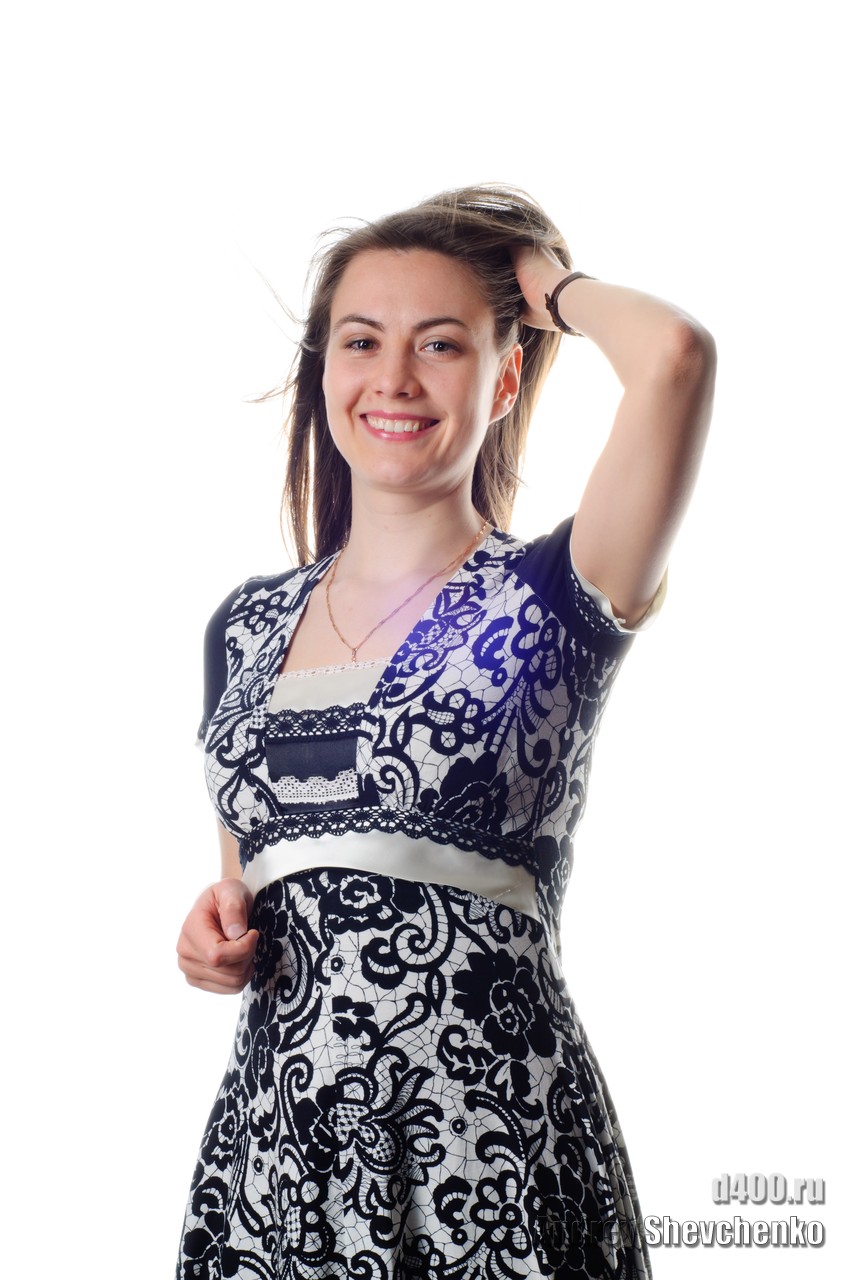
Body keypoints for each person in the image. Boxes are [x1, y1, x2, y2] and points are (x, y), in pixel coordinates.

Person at [175, 185, 716, 1279]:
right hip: (282, 1155)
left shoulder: (552, 595)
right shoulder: (244, 625)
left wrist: (546, 291)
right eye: (361, 341)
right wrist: (213, 934)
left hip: (493, 1136)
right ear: (324, 370)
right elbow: (249, 880)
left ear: (504, 377)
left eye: (440, 344)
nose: (393, 378)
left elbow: (675, 356)